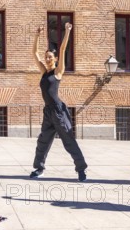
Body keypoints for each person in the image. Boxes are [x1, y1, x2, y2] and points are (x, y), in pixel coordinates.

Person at [30, 22, 88, 181]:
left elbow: (62, 49)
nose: (47, 59)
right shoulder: (43, 72)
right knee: (43, 141)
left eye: (50, 57)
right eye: (46, 57)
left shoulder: (57, 72)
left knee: (68, 141)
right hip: (48, 112)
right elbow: (34, 53)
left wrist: (68, 31)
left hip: (59, 111)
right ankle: (39, 168)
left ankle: (81, 170)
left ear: (55, 59)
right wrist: (37, 34)